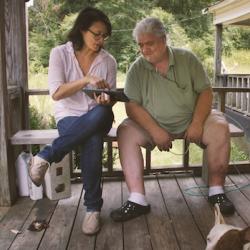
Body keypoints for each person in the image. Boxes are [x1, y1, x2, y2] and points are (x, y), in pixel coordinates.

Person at [110, 17, 235, 222]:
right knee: (125, 131)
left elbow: (205, 92)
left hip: (192, 120)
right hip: (152, 124)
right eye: (140, 45)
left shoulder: (187, 59)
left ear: (164, 39)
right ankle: (137, 199)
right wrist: (155, 131)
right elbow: (132, 105)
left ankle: (216, 191)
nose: (144, 50)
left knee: (220, 125)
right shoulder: (137, 68)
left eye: (149, 43)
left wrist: (196, 123)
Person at [29, 7, 117, 235]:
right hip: (69, 117)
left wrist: (106, 98)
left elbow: (110, 99)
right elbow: (57, 93)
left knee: (102, 114)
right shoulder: (59, 53)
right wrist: (86, 80)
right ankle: (93, 210)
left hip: (98, 114)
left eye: (104, 36)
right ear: (81, 29)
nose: (100, 40)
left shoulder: (108, 61)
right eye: (96, 34)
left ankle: (45, 156)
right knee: (93, 138)